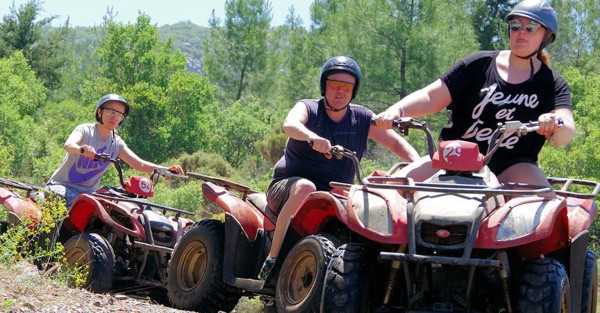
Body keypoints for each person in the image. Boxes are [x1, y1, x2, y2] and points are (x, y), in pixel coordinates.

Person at [375, 0, 574, 191]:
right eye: (515, 25)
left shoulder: (552, 83)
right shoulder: (478, 64)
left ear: (547, 36)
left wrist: (555, 121)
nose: (521, 31)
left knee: (549, 209)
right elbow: (431, 96)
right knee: (388, 191)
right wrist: (397, 110)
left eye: (530, 27)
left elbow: (567, 131)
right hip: (452, 158)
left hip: (512, 167)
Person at [258, 56, 419, 279]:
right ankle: (272, 260)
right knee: (306, 187)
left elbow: (395, 142)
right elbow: (290, 125)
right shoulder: (309, 108)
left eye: (347, 86)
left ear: (354, 90)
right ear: (325, 85)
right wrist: (312, 137)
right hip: (289, 185)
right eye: (334, 85)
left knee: (370, 204)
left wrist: (419, 164)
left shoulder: (362, 118)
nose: (340, 91)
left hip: (335, 191)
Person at [46, 94, 184, 207]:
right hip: (60, 187)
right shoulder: (85, 130)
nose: (115, 117)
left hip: (87, 196)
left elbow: (139, 164)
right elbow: (68, 145)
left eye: (119, 114)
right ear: (99, 112)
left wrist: (164, 169)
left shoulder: (116, 143)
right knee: (77, 204)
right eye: (111, 112)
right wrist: (81, 149)